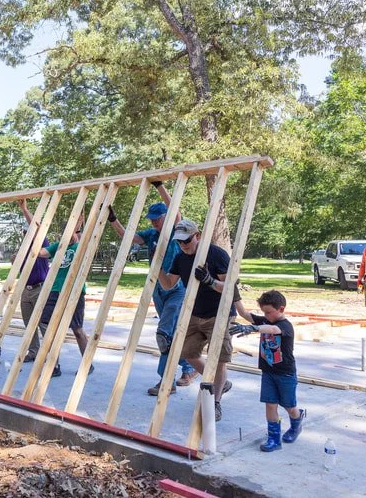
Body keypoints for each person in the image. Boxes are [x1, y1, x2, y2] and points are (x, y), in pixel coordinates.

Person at [107, 182, 198, 396]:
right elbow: (129, 237)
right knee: (172, 332)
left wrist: (160, 187)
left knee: (164, 334)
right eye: (152, 219)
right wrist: (113, 220)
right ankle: (189, 367)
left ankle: (167, 381)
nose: (154, 222)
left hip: (176, 288)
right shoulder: (151, 234)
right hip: (158, 289)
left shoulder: (175, 231)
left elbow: (176, 212)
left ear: (166, 217)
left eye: (157, 218)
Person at [158, 219, 235, 421]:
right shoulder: (180, 258)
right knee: (188, 353)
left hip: (219, 313)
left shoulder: (216, 254)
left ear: (198, 236)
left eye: (187, 240)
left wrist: (210, 281)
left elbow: (230, 287)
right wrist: (156, 267)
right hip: (195, 313)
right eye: (179, 241)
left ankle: (215, 402)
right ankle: (220, 383)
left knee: (218, 359)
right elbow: (168, 284)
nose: (183, 245)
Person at [231, 290, 305, 452]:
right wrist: (234, 292)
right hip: (268, 372)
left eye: (269, 312)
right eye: (264, 312)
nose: (266, 316)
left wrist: (253, 328)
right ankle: (274, 439)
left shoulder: (285, 326)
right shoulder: (266, 320)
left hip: (285, 374)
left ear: (281, 309)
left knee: (289, 406)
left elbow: (272, 330)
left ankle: (297, 420)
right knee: (270, 405)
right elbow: (244, 313)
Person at [37, 221, 93, 378]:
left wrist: (79, 224)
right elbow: (41, 253)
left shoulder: (81, 246)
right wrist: (37, 234)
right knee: (49, 326)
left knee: (77, 329)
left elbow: (89, 239)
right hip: (55, 290)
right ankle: (54, 365)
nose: (70, 236)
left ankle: (87, 364)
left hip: (74, 291)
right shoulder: (59, 246)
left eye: (73, 232)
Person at [16, 198, 50, 362]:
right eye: (25, 233)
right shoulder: (24, 249)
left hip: (39, 288)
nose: (27, 235)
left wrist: (25, 210)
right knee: (29, 323)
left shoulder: (41, 244)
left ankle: (49, 355)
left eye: (29, 232)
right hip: (26, 290)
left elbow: (37, 227)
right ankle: (33, 351)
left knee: (43, 322)